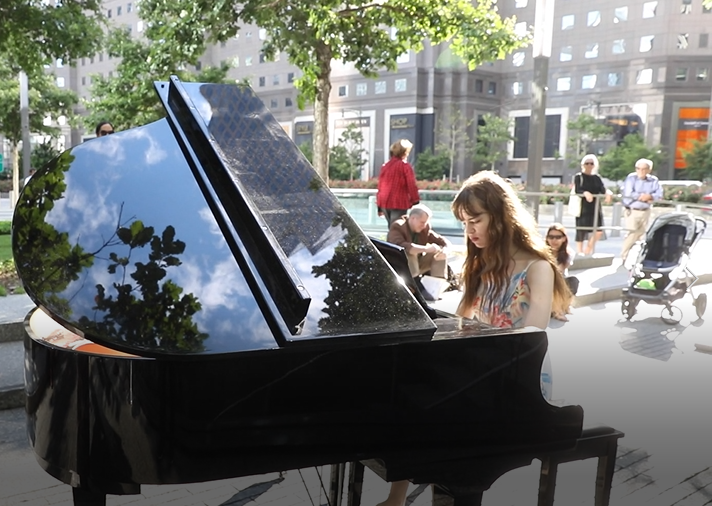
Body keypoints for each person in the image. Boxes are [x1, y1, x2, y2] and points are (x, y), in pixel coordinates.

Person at [376, 171, 572, 506]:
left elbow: (531, 339)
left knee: (429, 403)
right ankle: (397, 495)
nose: (469, 231)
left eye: (475, 220)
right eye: (464, 222)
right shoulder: (482, 264)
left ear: (500, 215)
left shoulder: (537, 267)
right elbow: (465, 321)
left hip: (520, 377)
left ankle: (402, 495)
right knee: (411, 388)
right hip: (484, 367)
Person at [386, 204, 452, 300]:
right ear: (413, 218)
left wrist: (445, 251)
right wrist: (425, 249)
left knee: (438, 252)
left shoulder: (424, 228)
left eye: (425, 223)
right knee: (410, 251)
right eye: (422, 222)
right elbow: (400, 246)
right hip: (400, 266)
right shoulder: (398, 226)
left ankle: (434, 288)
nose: (424, 225)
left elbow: (443, 241)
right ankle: (417, 286)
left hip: (418, 264)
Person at [620, 158, 663, 264]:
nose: (641, 171)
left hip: (646, 210)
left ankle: (635, 257)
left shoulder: (653, 180)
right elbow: (628, 193)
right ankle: (624, 256)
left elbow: (659, 194)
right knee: (632, 233)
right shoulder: (631, 178)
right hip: (632, 210)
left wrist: (650, 196)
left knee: (640, 235)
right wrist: (642, 196)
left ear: (649, 170)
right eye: (638, 169)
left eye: (644, 169)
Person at [572, 154, 612, 256]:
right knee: (581, 230)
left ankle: (588, 250)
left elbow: (602, 189)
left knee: (598, 230)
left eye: (591, 163)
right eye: (587, 163)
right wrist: (585, 193)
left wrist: (608, 193)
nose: (589, 165)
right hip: (583, 207)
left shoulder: (596, 178)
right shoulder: (579, 177)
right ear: (583, 164)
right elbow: (578, 190)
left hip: (595, 207)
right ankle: (580, 252)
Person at [376, 139, 420, 228]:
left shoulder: (385, 166)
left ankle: (390, 241)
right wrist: (415, 200)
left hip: (384, 202)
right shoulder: (405, 166)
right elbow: (411, 185)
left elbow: (380, 186)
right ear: (404, 152)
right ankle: (393, 242)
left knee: (391, 227)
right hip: (399, 202)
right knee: (397, 229)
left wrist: (379, 206)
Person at [545, 223, 578, 321]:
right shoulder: (542, 252)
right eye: (551, 237)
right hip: (544, 283)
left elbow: (559, 271)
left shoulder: (568, 253)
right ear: (547, 238)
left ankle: (561, 309)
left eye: (558, 237)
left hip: (559, 282)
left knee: (572, 281)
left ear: (564, 239)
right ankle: (556, 310)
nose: (554, 240)